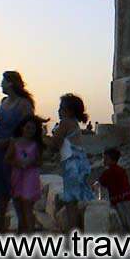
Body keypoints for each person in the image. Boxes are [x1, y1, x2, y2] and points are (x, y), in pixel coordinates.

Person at [0, 71, 34, 233]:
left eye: (3, 81)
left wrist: (8, 142)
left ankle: (23, 225)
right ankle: (0, 223)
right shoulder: (3, 101)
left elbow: (28, 128)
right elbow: (2, 124)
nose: (1, 84)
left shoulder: (24, 104)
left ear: (11, 83)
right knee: (0, 188)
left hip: (15, 149)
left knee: (16, 188)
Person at [51, 93, 94, 231]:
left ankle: (74, 233)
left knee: (70, 202)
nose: (58, 110)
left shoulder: (65, 123)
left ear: (68, 110)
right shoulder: (74, 124)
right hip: (81, 164)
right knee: (76, 199)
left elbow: (55, 143)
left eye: (61, 107)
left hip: (71, 166)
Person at [6, 115, 47, 233]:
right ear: (22, 128)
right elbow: (7, 159)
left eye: (33, 129)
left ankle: (30, 233)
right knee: (18, 205)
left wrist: (31, 162)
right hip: (17, 176)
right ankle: (21, 229)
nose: (30, 131)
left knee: (28, 205)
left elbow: (40, 161)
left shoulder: (36, 144)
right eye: (28, 128)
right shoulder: (15, 142)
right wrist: (17, 163)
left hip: (31, 176)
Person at [96, 147, 130, 233]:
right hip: (126, 198)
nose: (103, 161)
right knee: (128, 220)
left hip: (121, 200)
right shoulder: (120, 170)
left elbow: (99, 184)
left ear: (113, 160)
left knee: (125, 222)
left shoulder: (109, 172)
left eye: (106, 159)